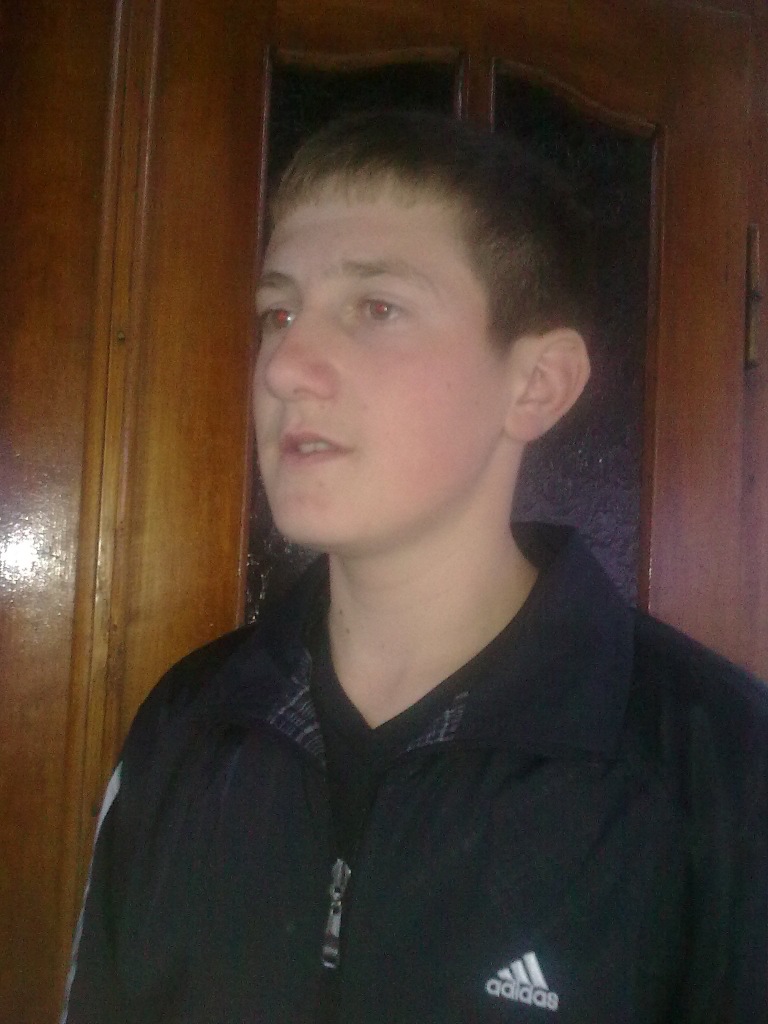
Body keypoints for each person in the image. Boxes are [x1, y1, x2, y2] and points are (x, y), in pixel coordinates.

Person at [61, 110, 768, 1024]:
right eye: (278, 313)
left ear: (535, 385)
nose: (284, 367)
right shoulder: (188, 724)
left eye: (376, 308)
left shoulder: (723, 772)